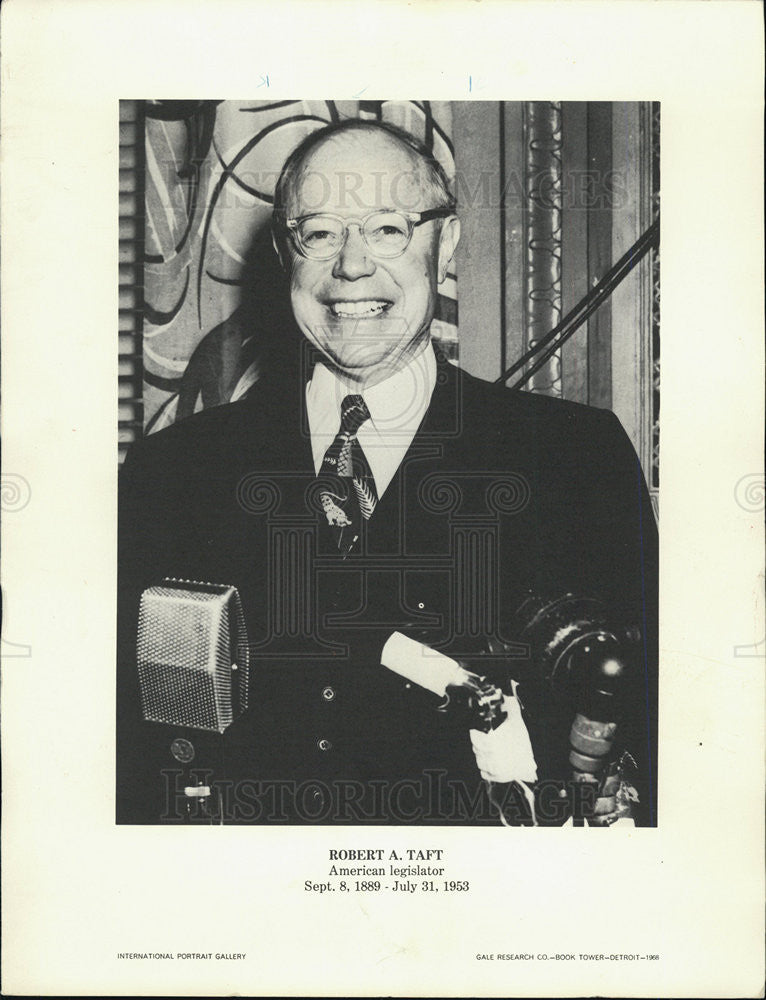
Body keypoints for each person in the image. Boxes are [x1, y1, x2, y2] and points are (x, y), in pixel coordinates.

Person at [117, 119, 658, 826]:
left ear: (447, 244)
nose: (350, 268)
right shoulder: (175, 470)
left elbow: (654, 729)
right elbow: (127, 754)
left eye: (388, 230)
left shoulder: (572, 458)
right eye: (318, 232)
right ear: (286, 253)